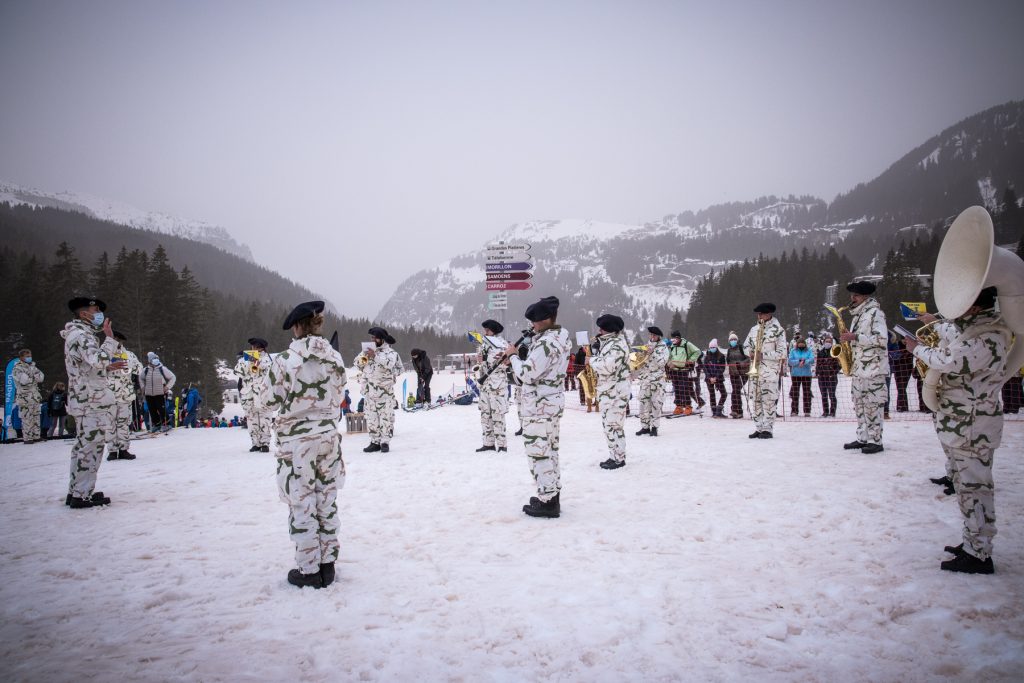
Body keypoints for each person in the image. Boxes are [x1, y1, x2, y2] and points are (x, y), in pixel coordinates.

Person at [905, 287, 1009, 574]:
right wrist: (932, 324)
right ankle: (972, 543)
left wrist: (918, 349)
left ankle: (979, 555)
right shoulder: (971, 329)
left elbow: (951, 360)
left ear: (976, 307)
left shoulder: (989, 336)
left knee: (976, 489)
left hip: (974, 426)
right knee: (965, 487)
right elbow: (949, 336)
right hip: (960, 421)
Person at [266, 300, 347, 588]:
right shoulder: (335, 358)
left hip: (298, 442)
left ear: (298, 327)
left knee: (302, 503)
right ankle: (328, 565)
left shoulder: (286, 359)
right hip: (328, 438)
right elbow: (339, 394)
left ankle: (309, 570)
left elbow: (269, 401)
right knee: (326, 499)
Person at [505, 296, 570, 517]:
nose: (532, 325)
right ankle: (552, 493)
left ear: (546, 320)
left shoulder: (545, 343)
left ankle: (548, 502)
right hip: (551, 403)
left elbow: (527, 374)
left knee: (539, 454)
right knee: (550, 451)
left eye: (536, 321)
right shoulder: (561, 336)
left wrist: (513, 357)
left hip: (539, 406)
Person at [61, 296, 126, 508]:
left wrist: (106, 366)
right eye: (95, 309)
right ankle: (82, 495)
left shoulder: (77, 334)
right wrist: (109, 339)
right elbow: (98, 360)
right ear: (83, 313)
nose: (99, 313)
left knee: (82, 447)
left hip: (85, 398)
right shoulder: (82, 336)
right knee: (91, 447)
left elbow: (88, 366)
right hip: (92, 400)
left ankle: (77, 491)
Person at [839, 281, 889, 454]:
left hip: (873, 369)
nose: (852, 298)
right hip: (859, 368)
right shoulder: (858, 315)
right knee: (859, 404)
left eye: (856, 295)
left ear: (866, 297)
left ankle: (876, 440)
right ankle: (863, 437)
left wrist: (855, 337)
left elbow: (882, 340)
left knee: (873, 405)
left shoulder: (876, 313)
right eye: (852, 295)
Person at [589, 314, 631, 469]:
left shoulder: (617, 345)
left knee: (614, 426)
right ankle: (615, 455)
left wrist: (592, 360)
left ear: (610, 330)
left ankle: (618, 459)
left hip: (615, 393)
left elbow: (608, 366)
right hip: (609, 391)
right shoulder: (609, 343)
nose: (599, 330)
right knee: (610, 426)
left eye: (602, 328)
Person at [743, 303, 787, 438]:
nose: (759, 316)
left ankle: (768, 428)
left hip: (769, 372)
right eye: (758, 314)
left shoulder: (778, 330)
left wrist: (764, 355)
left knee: (768, 400)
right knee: (755, 400)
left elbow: (782, 353)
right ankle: (759, 427)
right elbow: (745, 345)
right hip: (755, 371)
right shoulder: (754, 329)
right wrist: (749, 353)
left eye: (761, 313)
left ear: (769, 314)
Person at [362, 327, 400, 453]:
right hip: (370, 393)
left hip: (385, 393)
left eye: (375, 337)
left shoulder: (391, 353)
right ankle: (374, 442)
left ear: (382, 339)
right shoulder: (366, 352)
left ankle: (385, 442)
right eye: (371, 337)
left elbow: (390, 364)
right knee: (372, 419)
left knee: (385, 419)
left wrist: (376, 356)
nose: (373, 340)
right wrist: (365, 357)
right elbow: (358, 364)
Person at [474, 320, 509, 453]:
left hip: (497, 385)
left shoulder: (502, 345)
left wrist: (488, 359)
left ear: (493, 331)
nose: (485, 333)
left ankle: (501, 445)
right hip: (485, 385)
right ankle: (488, 443)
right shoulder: (484, 345)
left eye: (487, 330)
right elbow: (483, 363)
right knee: (485, 414)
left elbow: (505, 364)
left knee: (498, 415)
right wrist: (480, 361)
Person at [107, 330, 142, 460]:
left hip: (125, 393)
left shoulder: (129, 355)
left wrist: (131, 366)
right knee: (110, 424)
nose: (117, 343)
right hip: (108, 394)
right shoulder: (104, 354)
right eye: (114, 339)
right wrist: (107, 367)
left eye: (118, 340)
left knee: (123, 423)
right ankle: (112, 450)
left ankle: (123, 449)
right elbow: (95, 369)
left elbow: (139, 369)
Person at [235, 338, 273, 452]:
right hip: (249, 395)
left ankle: (265, 443)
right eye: (252, 347)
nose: (253, 349)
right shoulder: (244, 359)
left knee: (264, 419)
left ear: (261, 348)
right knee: (252, 420)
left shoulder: (267, 358)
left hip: (262, 394)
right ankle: (255, 443)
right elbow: (237, 371)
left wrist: (252, 359)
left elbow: (265, 368)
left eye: (256, 347)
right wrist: (247, 360)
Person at [634, 326, 670, 437]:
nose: (652, 337)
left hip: (657, 380)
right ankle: (645, 427)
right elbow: (641, 362)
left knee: (656, 404)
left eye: (654, 335)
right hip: (645, 379)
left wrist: (652, 353)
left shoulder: (663, 348)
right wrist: (639, 358)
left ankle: (654, 427)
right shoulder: (646, 346)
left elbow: (662, 363)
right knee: (643, 403)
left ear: (659, 337)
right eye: (650, 335)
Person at [12, 349, 44, 444]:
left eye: (30, 355)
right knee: (27, 418)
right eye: (27, 356)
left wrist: (32, 376)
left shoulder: (33, 366)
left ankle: (36, 436)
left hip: (34, 397)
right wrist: (33, 377)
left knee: (36, 417)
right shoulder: (17, 368)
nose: (29, 357)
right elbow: (24, 381)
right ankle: (28, 438)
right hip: (24, 398)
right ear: (21, 357)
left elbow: (41, 377)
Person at [666, 331, 702, 414]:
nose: (673, 340)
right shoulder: (672, 346)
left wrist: (691, 360)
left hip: (684, 370)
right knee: (677, 389)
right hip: (674, 370)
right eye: (672, 338)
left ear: (678, 338)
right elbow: (670, 356)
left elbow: (697, 351)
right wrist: (669, 363)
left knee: (685, 389)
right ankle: (679, 406)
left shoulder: (687, 344)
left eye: (675, 338)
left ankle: (688, 406)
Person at [142, 352, 176, 432]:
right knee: (152, 409)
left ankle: (167, 424)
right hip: (149, 393)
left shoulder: (162, 369)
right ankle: (156, 424)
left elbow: (173, 377)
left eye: (156, 358)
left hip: (160, 392)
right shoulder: (146, 370)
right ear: (149, 361)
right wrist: (143, 387)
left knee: (161, 408)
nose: (155, 360)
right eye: (153, 359)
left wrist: (167, 387)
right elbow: (140, 378)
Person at [725, 331, 749, 418]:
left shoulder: (742, 348)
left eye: (734, 339)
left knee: (736, 390)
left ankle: (738, 410)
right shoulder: (729, 350)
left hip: (743, 373)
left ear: (737, 340)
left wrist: (740, 364)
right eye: (731, 340)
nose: (733, 341)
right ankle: (735, 410)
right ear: (729, 341)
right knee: (735, 391)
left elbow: (748, 359)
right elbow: (728, 361)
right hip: (733, 373)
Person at [702, 339, 728, 418]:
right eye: (711, 347)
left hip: (718, 378)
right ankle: (714, 412)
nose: (712, 348)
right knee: (712, 394)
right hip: (709, 379)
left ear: (716, 347)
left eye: (713, 347)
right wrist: (710, 377)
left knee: (724, 394)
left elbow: (722, 368)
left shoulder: (721, 356)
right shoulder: (706, 357)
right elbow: (705, 368)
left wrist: (716, 377)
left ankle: (719, 409)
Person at [816, 332, 840, 417]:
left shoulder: (835, 352)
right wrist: (818, 372)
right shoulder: (820, 352)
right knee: (824, 395)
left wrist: (833, 372)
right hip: (822, 377)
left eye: (829, 341)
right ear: (824, 342)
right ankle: (825, 411)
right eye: (826, 341)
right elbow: (817, 364)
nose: (828, 343)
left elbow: (838, 366)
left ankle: (832, 412)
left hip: (832, 377)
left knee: (832, 394)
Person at [788, 338, 814, 416]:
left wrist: (805, 361)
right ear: (797, 344)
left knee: (807, 393)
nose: (801, 344)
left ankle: (807, 410)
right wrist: (798, 361)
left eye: (803, 343)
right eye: (800, 343)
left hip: (806, 374)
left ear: (805, 344)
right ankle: (794, 410)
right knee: (795, 393)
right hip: (796, 374)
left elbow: (812, 359)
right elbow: (790, 361)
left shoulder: (809, 350)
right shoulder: (793, 351)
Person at [890, 335, 915, 412]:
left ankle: (902, 405)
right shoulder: (897, 346)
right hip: (898, 369)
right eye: (904, 339)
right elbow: (895, 356)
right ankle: (902, 406)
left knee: (903, 387)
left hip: (907, 368)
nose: (905, 341)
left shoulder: (911, 346)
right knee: (900, 387)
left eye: (906, 339)